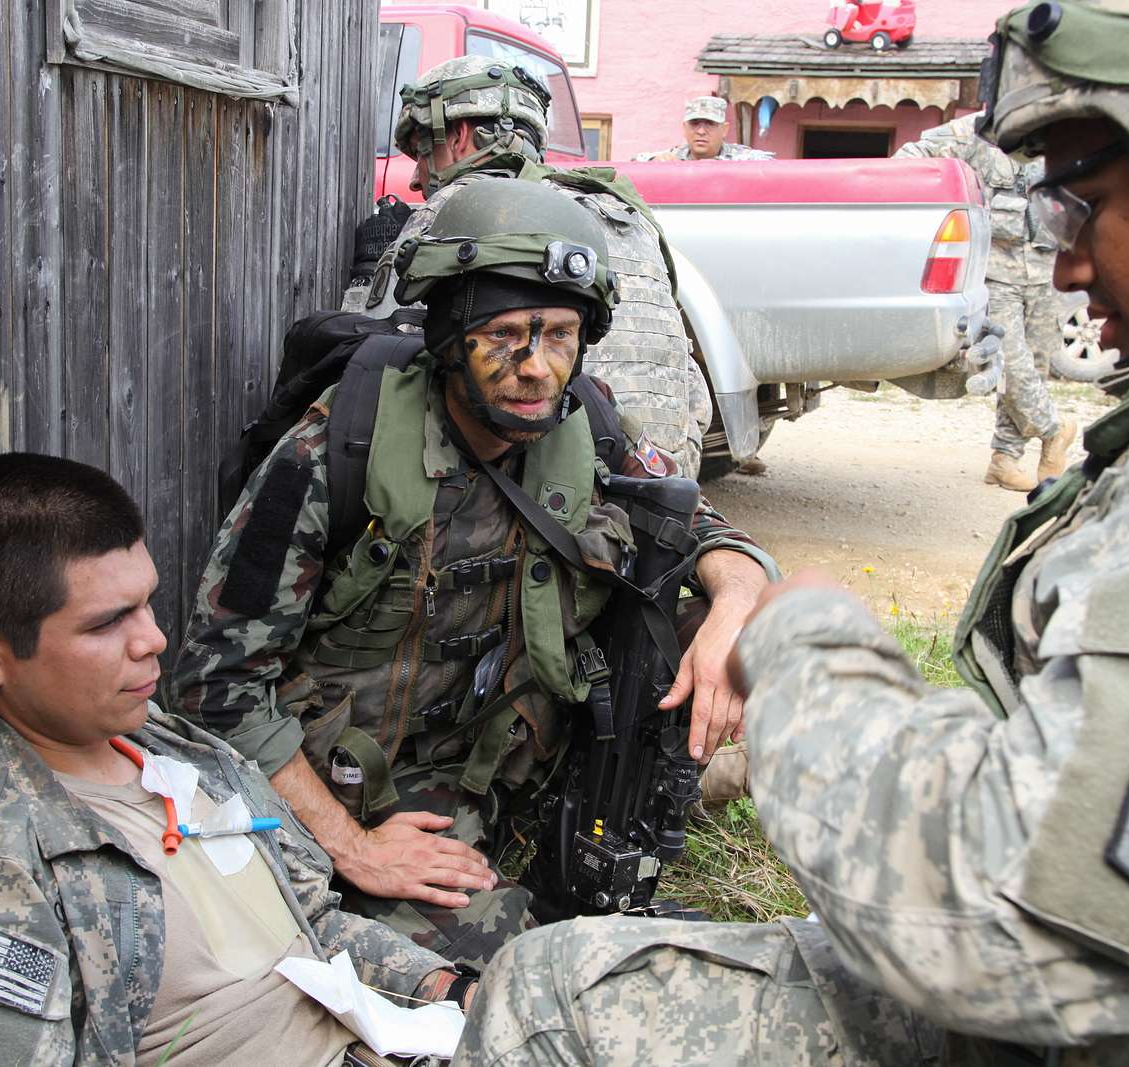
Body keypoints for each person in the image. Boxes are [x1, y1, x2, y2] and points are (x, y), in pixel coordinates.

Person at [453, 2, 1129, 1064]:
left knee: (549, 996)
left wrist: (809, 641)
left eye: (1083, 206)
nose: (1069, 267)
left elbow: (1035, 932)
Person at [172, 178, 776, 971]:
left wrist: (736, 600)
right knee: (524, 977)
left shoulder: (584, 421)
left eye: (559, 336)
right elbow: (216, 687)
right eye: (505, 336)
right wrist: (353, 846)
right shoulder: (334, 454)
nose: (535, 367)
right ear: (450, 336)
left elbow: (702, 527)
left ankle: (679, 777)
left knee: (761, 634)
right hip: (385, 787)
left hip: (528, 741)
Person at [0, 453, 469, 1066]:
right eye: (107, 623)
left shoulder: (166, 746)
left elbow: (313, 926)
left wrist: (448, 990)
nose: (155, 639)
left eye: (146, 602)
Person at [347, 55, 712, 480]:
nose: (415, 177)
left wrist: (367, 272)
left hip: (555, 485)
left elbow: (372, 373)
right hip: (664, 476)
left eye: (420, 153)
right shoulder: (629, 214)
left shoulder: (460, 210)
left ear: (458, 135)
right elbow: (691, 386)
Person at [896, 114, 1078, 492]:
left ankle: (1005, 458)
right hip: (996, 271)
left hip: (1049, 267)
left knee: (1037, 364)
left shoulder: (1061, 127)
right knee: (1012, 362)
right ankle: (1053, 430)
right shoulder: (975, 131)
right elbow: (911, 158)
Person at [632, 96, 775, 161]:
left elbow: (775, 168)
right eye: (694, 123)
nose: (701, 131)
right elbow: (632, 165)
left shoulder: (743, 159)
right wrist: (655, 164)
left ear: (724, 130)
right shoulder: (671, 159)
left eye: (710, 123)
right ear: (684, 128)